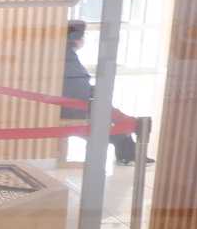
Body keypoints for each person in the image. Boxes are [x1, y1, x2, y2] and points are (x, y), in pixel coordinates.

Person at [62, 20, 146, 167]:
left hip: (74, 103)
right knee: (106, 116)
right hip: (72, 107)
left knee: (107, 111)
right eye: (83, 36)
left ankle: (127, 142)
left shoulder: (68, 56)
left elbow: (77, 85)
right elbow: (75, 86)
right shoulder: (68, 58)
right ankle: (128, 145)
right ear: (76, 38)